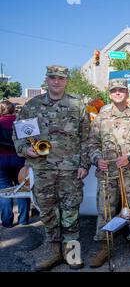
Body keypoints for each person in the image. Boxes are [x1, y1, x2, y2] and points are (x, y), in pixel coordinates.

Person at [12, 65, 90, 271]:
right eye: (52, 77)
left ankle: (72, 253)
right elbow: (18, 135)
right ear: (46, 80)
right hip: (42, 169)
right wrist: (26, 150)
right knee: (48, 212)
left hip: (70, 170)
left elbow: (86, 138)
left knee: (70, 211)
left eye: (61, 78)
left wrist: (84, 164)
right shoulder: (32, 106)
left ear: (66, 81)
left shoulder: (77, 105)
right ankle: (54, 252)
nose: (56, 81)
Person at [88, 78, 130, 267]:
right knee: (105, 211)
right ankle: (105, 247)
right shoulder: (101, 118)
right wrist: (97, 159)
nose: (118, 93)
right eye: (114, 90)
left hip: (129, 173)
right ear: (110, 94)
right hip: (107, 174)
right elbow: (92, 144)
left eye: (121, 90)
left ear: (127, 93)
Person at [0, 100, 29, 227]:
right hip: (19, 159)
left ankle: (7, 222)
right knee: (22, 188)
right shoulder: (20, 123)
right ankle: (23, 220)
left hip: (1, 160)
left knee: (4, 191)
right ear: (13, 109)